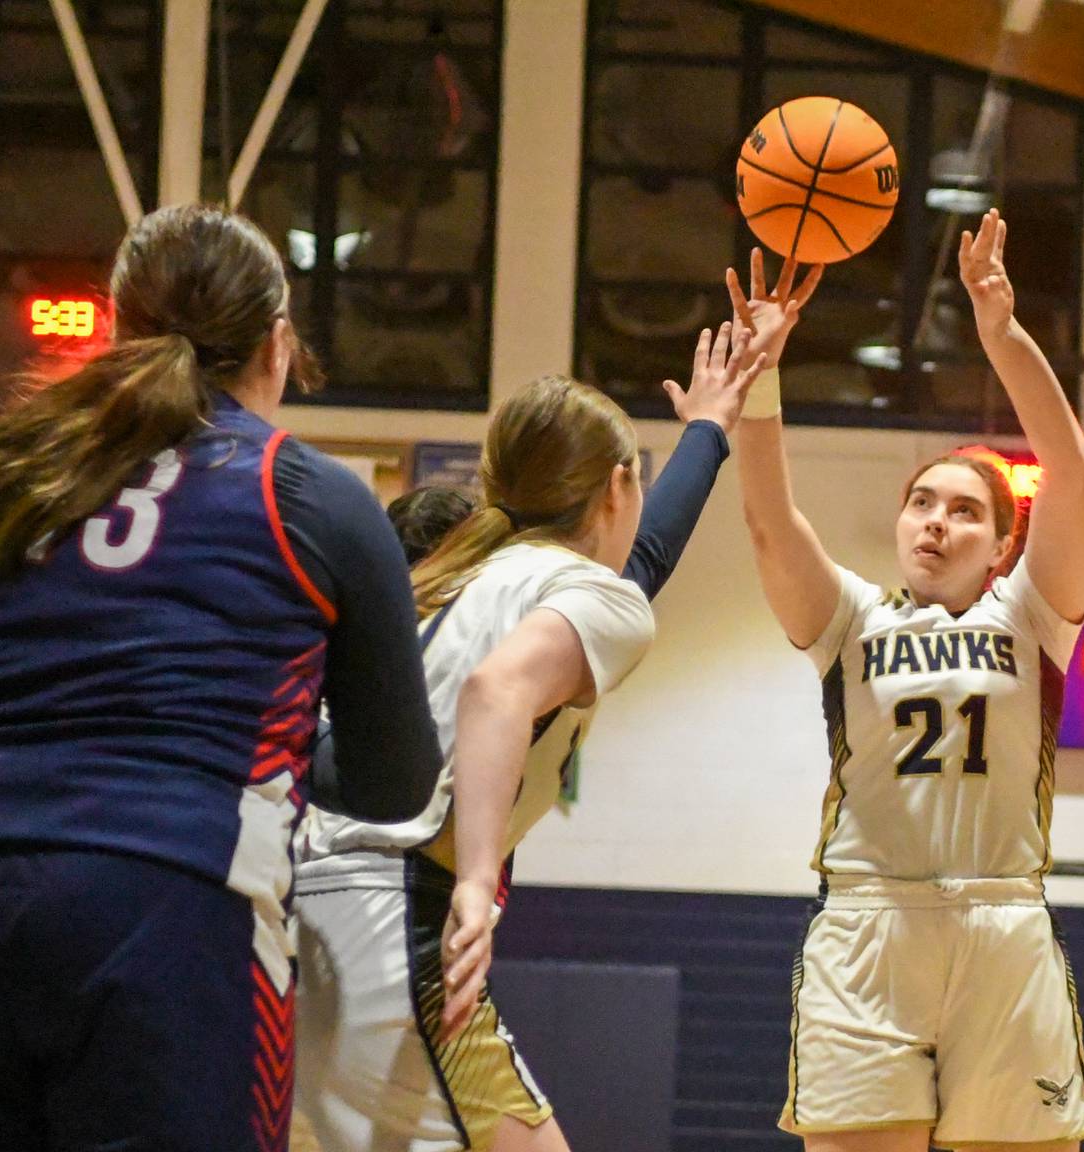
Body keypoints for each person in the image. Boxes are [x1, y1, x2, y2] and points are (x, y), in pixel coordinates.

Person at [0, 204, 442, 1152]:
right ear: (278, 345)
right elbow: (396, 783)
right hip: (159, 887)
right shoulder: (311, 494)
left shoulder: (10, 464)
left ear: (116, 334)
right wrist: (275, 760)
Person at [291, 323, 765, 1152]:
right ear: (620, 487)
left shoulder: (456, 573)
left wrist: (711, 431)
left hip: (304, 918)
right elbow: (496, 690)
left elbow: (646, 557)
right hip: (400, 923)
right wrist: (478, 879)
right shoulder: (578, 595)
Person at [732, 208, 1084, 1152]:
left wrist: (1002, 333)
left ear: (1003, 543)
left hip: (1003, 921)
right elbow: (771, 521)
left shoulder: (1031, 612)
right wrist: (763, 375)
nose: (936, 522)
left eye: (965, 511)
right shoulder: (851, 618)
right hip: (869, 926)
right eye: (921, 503)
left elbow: (1070, 466)